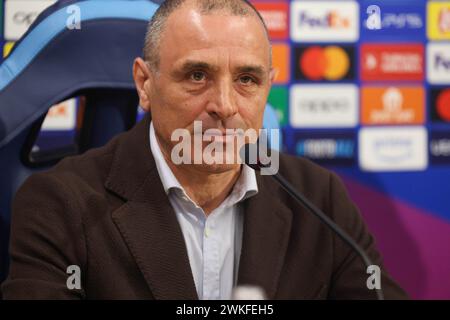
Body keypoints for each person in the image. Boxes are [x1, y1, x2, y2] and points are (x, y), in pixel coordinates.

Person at [1, 0, 407, 299]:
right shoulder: (60, 203)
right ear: (145, 84)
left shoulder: (320, 198)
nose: (225, 105)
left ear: (268, 86)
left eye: (247, 79)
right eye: (198, 75)